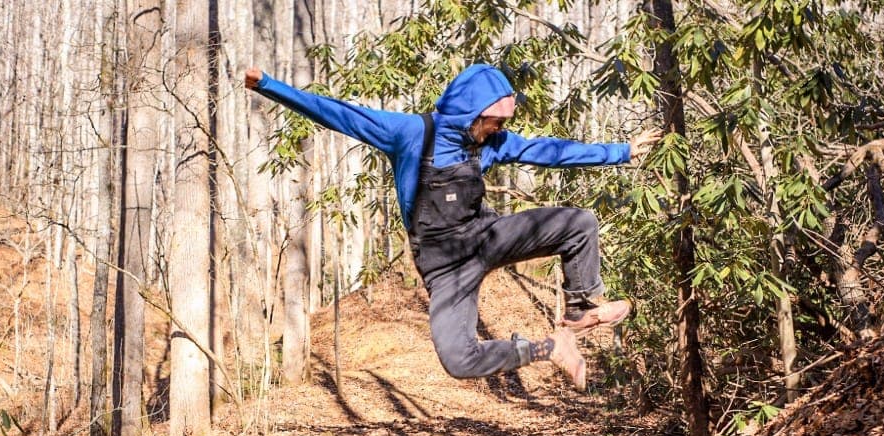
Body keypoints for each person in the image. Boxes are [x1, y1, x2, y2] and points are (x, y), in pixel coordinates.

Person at [245, 64, 660, 391]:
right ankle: (550, 348)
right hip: (445, 270)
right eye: (494, 120)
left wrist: (620, 152)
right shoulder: (411, 134)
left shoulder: (491, 144)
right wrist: (269, 86)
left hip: (485, 240)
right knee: (459, 359)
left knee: (579, 223)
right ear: (471, 112)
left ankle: (579, 309)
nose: (500, 128)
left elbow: (548, 150)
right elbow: (339, 114)